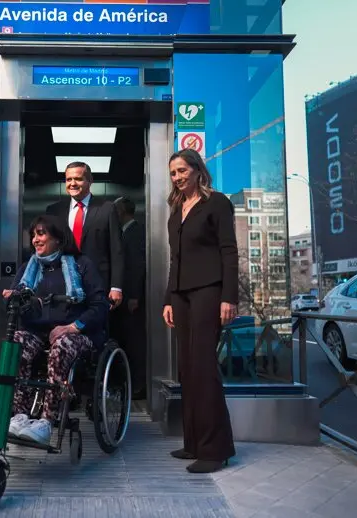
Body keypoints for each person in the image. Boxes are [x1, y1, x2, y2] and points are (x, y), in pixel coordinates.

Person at [162, 148, 239, 474]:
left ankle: (215, 449)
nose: (177, 178)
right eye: (173, 174)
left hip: (209, 291)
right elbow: (174, 260)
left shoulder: (217, 202)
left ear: (197, 170)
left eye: (181, 171)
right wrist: (167, 298)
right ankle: (193, 442)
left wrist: (229, 297)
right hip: (180, 296)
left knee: (204, 368)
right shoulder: (176, 209)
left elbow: (229, 251)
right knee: (187, 369)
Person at [5, 215, 109, 445]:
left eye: (41, 234)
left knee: (62, 345)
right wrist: (14, 300)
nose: (35, 240)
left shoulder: (82, 265)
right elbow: (13, 306)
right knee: (16, 341)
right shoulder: (27, 269)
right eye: (33, 235)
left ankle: (46, 421)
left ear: (58, 238)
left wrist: (72, 327)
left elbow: (100, 306)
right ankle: (20, 414)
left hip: (78, 334)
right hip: (38, 334)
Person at [46, 161, 125, 310]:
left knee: (96, 328)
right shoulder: (54, 211)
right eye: (69, 179)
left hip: (97, 283)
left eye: (78, 179)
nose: (72, 183)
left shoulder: (107, 209)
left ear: (90, 181)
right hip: (62, 283)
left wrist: (116, 287)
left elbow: (117, 250)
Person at [113, 196, 147, 400]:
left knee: (135, 343)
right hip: (125, 299)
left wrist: (134, 295)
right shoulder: (126, 232)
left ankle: (138, 385)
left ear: (121, 212)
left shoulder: (134, 233)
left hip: (132, 299)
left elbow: (136, 266)